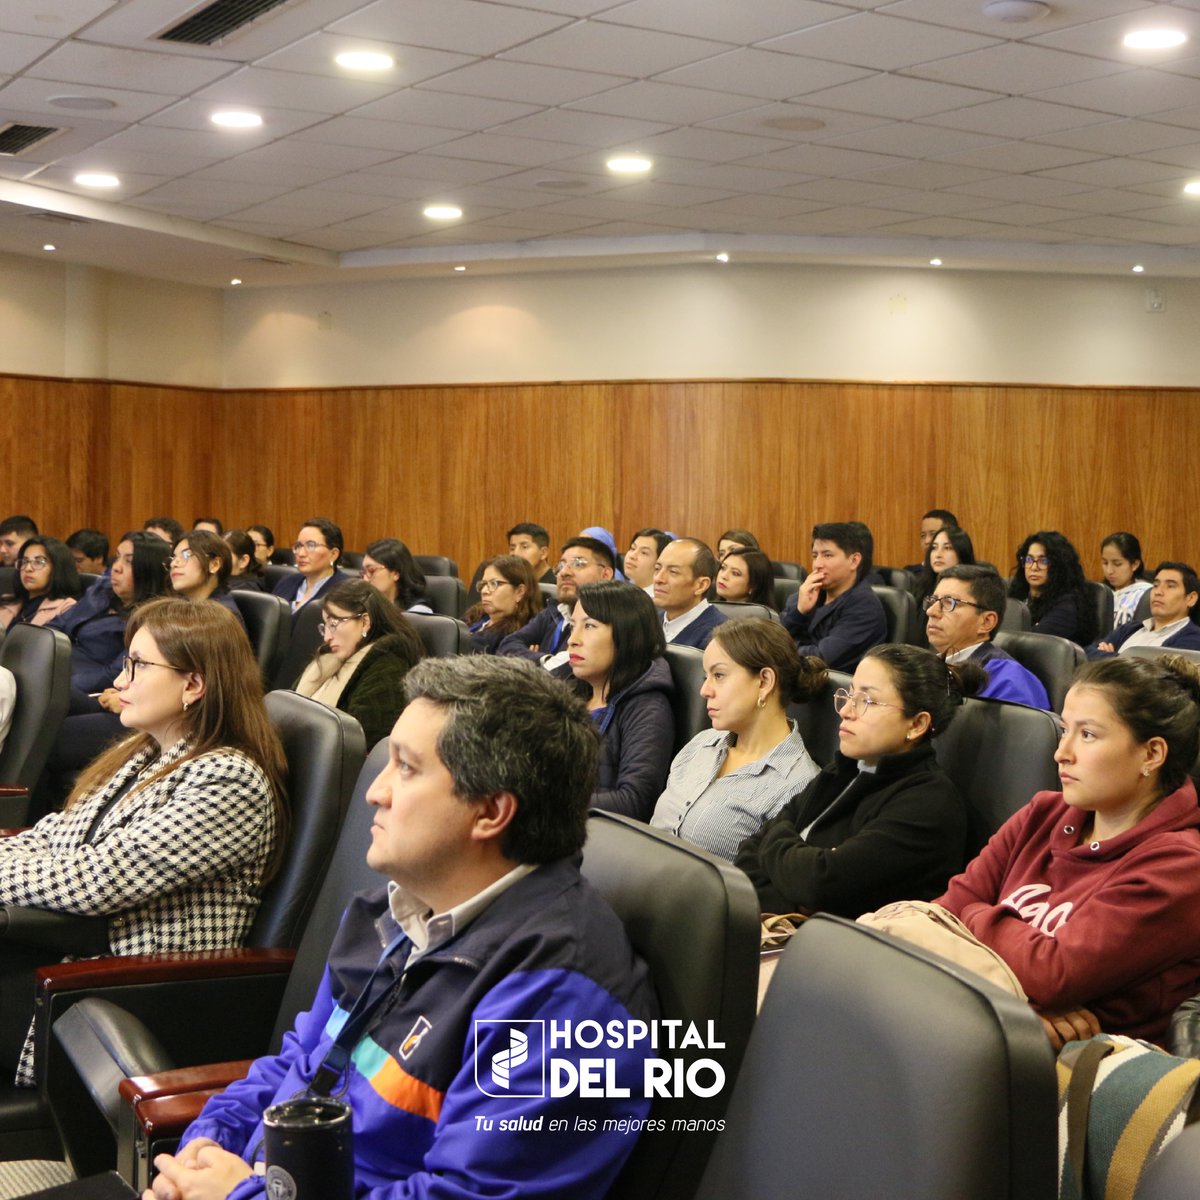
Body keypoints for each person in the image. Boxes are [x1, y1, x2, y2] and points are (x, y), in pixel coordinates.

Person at [148, 655, 658, 1200]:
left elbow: (465, 1196)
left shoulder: (561, 997)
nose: (376, 791)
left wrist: (241, 1195)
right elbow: (299, 1064)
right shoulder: (389, 912)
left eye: (406, 767)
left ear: (490, 811)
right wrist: (207, 1146)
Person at [0, 598, 287, 1086]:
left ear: (194, 684)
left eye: (137, 665)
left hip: (121, 992)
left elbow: (98, 880)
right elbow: (56, 835)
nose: (118, 682)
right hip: (66, 954)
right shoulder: (148, 752)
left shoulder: (228, 779)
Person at [936, 654, 1200, 1048]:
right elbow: (941, 914)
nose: (1062, 753)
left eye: (1088, 735)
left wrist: (975, 915)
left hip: (1082, 1081)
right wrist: (1016, 1000)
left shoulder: (1181, 866)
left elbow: (1053, 974)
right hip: (995, 1030)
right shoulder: (1042, 813)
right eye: (1064, 730)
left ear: (1151, 754)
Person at [735, 644, 977, 918]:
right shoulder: (845, 770)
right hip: (787, 930)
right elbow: (749, 851)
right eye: (849, 695)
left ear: (916, 724)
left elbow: (820, 885)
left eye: (867, 701)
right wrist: (797, 888)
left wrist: (781, 844)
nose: (846, 711)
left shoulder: (930, 803)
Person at [651, 618, 823, 860]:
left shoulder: (798, 785)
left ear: (764, 682)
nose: (704, 690)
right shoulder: (701, 744)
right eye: (705, 677)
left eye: (719, 675)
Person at [563, 581, 674, 820]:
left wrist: (539, 805)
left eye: (590, 626)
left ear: (626, 634)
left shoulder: (648, 707)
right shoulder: (568, 690)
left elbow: (634, 801)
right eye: (573, 626)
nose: (573, 639)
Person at [294, 581, 425, 749]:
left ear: (365, 622)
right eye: (325, 626)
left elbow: (363, 743)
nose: (327, 637)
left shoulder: (390, 666)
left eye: (333, 624)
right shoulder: (329, 657)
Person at [50, 531, 172, 696]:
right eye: (117, 556)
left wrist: (57, 684)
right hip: (55, 670)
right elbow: (58, 624)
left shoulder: (153, 618)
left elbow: (114, 673)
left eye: (129, 561)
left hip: (90, 691)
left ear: (148, 570)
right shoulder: (101, 589)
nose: (116, 567)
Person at [924, 566, 1051, 708]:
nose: (931, 611)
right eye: (933, 600)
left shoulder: (1010, 681)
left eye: (949, 602)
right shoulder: (928, 667)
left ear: (986, 622)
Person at [780, 522, 887, 671]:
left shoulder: (865, 607)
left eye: (827, 555)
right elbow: (773, 637)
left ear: (854, 561)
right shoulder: (809, 592)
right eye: (815, 556)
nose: (817, 564)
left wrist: (782, 649)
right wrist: (799, 612)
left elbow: (819, 660)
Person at [497, 536, 614, 666]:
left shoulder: (609, 619)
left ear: (605, 575)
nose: (564, 572)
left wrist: (528, 662)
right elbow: (507, 645)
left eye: (578, 564)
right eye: (561, 565)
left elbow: (573, 669)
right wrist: (544, 659)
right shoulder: (555, 611)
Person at [1087, 561, 1200, 659]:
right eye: (1155, 585)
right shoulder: (1129, 629)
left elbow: (1156, 671)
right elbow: (1088, 652)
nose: (1158, 592)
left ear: (1191, 598)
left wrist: (1108, 658)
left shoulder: (1193, 637)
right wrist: (1119, 659)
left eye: (1170, 586)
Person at [1009, 530, 1097, 645]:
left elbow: (1031, 643)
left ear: (1059, 565)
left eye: (1043, 561)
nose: (1034, 567)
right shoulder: (1017, 594)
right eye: (1029, 559)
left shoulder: (1068, 605)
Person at [652, 537, 726, 649]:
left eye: (673, 572)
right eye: (657, 568)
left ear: (701, 585)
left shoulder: (721, 636)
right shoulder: (649, 622)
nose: (658, 578)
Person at [0, 536, 82, 631]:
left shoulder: (66, 608)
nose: (27, 568)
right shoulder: (7, 601)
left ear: (57, 568)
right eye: (25, 561)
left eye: (39, 562)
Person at [464, 554, 542, 653]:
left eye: (494, 584)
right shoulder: (475, 617)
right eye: (483, 584)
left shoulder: (515, 638)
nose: (484, 591)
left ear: (519, 592)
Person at [272, 518, 345, 615]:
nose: (301, 553)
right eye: (298, 546)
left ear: (333, 554)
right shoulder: (286, 582)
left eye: (311, 545)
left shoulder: (345, 591)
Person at [168, 532, 243, 624]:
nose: (173, 564)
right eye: (174, 557)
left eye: (186, 555)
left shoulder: (222, 617)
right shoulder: (181, 607)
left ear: (214, 565)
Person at [910, 525, 975, 613]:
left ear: (962, 553)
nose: (938, 554)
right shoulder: (920, 587)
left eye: (947, 548)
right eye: (934, 548)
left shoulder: (973, 592)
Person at [360, 538, 432, 613]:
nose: (365, 579)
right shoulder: (365, 605)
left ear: (396, 573)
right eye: (364, 572)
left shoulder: (417, 611)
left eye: (371, 571)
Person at [1100, 532, 1152, 628]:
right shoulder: (1101, 593)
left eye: (1117, 564)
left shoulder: (1146, 594)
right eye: (1105, 563)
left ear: (1134, 564)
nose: (1109, 571)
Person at [902, 508, 958, 575]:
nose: (927, 541)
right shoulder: (909, 574)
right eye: (923, 535)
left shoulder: (965, 577)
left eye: (933, 534)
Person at [625, 528, 672, 593]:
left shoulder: (657, 600)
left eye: (644, 552)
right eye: (633, 548)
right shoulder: (623, 589)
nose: (632, 556)